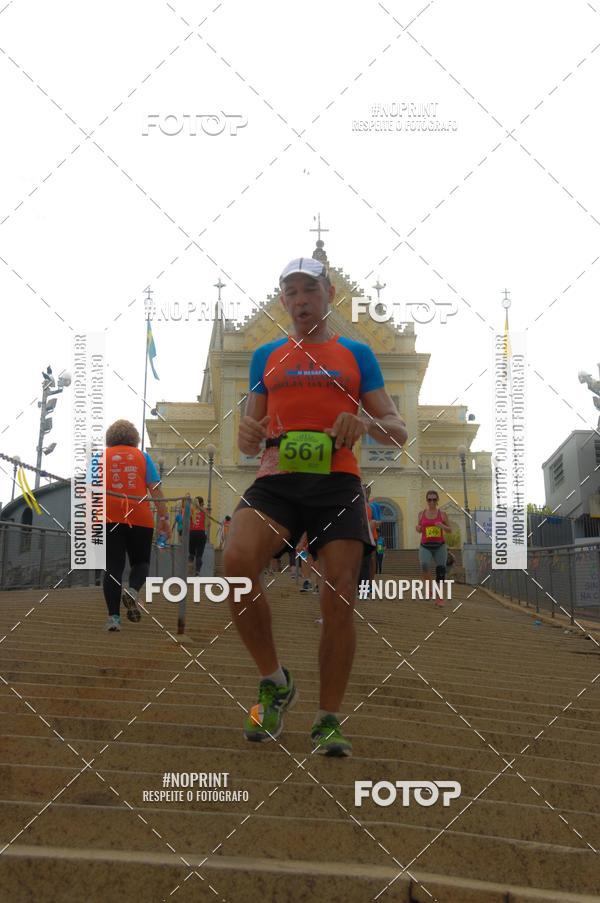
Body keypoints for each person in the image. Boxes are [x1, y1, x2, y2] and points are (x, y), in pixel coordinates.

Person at [223, 254, 407, 756]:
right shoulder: (266, 356)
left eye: (310, 290)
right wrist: (247, 435)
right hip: (277, 479)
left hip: (337, 482)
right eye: (292, 293)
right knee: (236, 563)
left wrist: (364, 423)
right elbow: (250, 433)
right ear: (283, 301)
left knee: (340, 594)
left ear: (329, 294)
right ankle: (275, 681)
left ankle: (327, 718)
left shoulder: (357, 354)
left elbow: (398, 430)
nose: (301, 301)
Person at [102, 420, 169, 631]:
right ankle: (132, 591)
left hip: (110, 517)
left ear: (110, 438)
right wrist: (164, 519)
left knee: (113, 567)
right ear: (134, 438)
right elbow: (155, 490)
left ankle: (114, 619)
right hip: (140, 517)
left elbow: (89, 491)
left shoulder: (99, 458)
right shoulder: (143, 457)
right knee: (141, 563)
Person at [416, 490, 452, 607]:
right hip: (425, 546)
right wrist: (418, 528)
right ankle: (429, 589)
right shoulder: (421, 514)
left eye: (434, 499)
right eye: (429, 499)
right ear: (427, 500)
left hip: (439, 546)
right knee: (424, 565)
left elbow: (450, 530)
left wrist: (442, 526)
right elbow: (419, 528)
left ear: (437, 501)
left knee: (441, 571)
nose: (432, 502)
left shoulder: (442, 514)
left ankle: (439, 597)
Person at [189, 496, 207, 575]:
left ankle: (189, 570)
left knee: (191, 554)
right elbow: (208, 524)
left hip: (192, 533)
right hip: (201, 533)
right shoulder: (205, 511)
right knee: (199, 555)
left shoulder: (191, 510)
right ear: (202, 503)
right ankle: (197, 572)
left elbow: (185, 520)